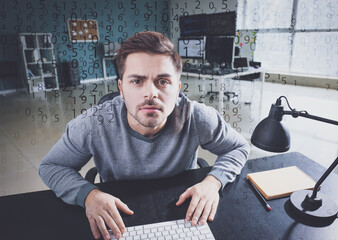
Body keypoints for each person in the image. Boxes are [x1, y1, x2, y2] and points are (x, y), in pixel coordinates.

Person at [39, 31, 250, 240]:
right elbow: (52, 167)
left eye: (163, 81)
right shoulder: (94, 124)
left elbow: (238, 147)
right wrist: (89, 195)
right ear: (121, 88)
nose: (151, 93)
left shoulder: (196, 117)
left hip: (183, 215)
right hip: (118, 215)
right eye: (137, 81)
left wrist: (213, 181)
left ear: (177, 89)